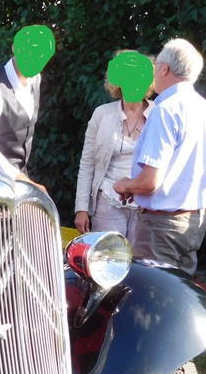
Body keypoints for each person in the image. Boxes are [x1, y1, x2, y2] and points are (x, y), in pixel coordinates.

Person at [114, 38, 206, 275]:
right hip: (194, 223)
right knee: (181, 302)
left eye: (156, 66)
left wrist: (126, 184)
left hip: (161, 228)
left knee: (150, 304)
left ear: (164, 68)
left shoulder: (166, 109)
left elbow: (149, 182)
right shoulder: (202, 107)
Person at [74, 51, 155, 244]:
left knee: (140, 268)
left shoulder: (159, 113)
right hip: (107, 203)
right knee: (107, 262)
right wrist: (81, 208)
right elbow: (87, 164)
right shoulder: (102, 114)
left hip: (146, 205)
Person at [0, 24, 55, 187]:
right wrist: (18, 177)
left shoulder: (36, 79)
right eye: (30, 52)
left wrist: (22, 180)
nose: (35, 59)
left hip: (19, 182)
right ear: (15, 48)